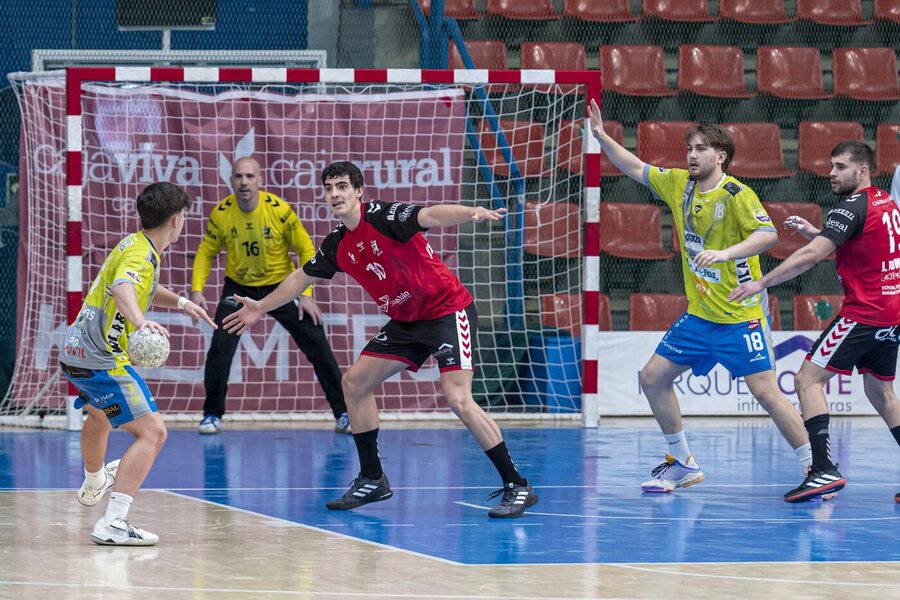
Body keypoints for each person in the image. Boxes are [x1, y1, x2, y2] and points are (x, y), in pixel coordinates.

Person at [223, 161, 538, 518]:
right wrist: (260, 307)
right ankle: (373, 478)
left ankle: (518, 485)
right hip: (407, 321)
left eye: (342, 186)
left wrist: (471, 212)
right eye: (329, 188)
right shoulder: (337, 244)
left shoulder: (384, 217)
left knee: (458, 398)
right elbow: (300, 277)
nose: (334, 194)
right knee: (354, 383)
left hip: (447, 311)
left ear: (359, 191)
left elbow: (431, 215)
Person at [587, 99, 812, 494]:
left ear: (720, 156)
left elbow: (769, 236)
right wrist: (603, 138)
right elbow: (635, 168)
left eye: (701, 149)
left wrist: (726, 253)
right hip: (701, 315)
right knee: (652, 378)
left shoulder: (736, 194)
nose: (692, 155)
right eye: (689, 148)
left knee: (766, 392)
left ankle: (816, 467)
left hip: (741, 316)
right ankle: (683, 464)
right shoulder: (679, 184)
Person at [730, 141, 900, 504]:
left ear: (863, 171)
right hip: (892, 310)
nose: (831, 173)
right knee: (881, 393)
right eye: (831, 166)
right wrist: (818, 233)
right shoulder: (885, 201)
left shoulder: (851, 207)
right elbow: (864, 245)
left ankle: (822, 469)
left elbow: (811, 256)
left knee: (807, 379)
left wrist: (761, 283)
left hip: (864, 312)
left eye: (840, 167)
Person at [60, 182, 217, 545]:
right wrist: (140, 321)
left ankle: (95, 480)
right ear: (176, 221)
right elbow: (123, 287)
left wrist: (182, 303)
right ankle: (113, 523)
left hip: (75, 351)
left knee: (99, 415)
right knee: (153, 433)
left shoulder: (135, 244)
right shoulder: (140, 256)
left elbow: (140, 287)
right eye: (184, 217)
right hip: (101, 360)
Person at [191, 157, 350, 435]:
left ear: (260, 180)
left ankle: (344, 413)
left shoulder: (279, 210)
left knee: (317, 342)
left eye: (250, 176)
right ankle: (211, 415)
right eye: (239, 176)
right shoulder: (221, 213)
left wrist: (306, 294)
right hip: (239, 291)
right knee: (220, 347)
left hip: (281, 288)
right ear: (231, 181)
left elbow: (306, 248)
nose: (244, 182)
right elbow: (206, 252)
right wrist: (196, 290)